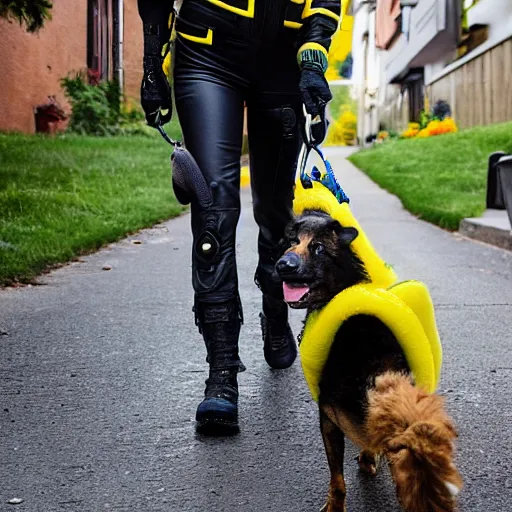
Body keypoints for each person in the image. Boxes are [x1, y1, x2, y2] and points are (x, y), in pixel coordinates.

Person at [137, 0, 340, 434]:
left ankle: (276, 308)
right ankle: (222, 371)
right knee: (212, 209)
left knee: (275, 213)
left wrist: (314, 52)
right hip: (207, 49)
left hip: (284, 60)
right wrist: (152, 58)